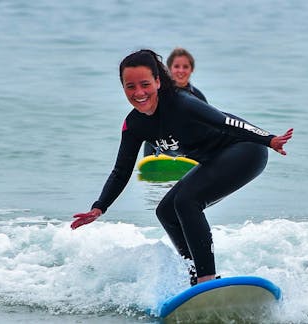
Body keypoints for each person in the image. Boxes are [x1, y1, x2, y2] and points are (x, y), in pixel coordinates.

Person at [71, 49, 293, 286]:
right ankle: (194, 278)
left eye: (145, 84)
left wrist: (268, 139)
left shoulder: (180, 103)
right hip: (214, 160)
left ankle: (207, 279)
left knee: (186, 201)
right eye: (130, 86)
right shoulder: (134, 124)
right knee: (166, 211)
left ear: (158, 81)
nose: (139, 93)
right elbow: (121, 170)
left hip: (246, 150)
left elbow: (225, 121)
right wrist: (99, 207)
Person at [144, 47, 206, 156]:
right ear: (169, 69)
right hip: (160, 149)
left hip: (190, 151)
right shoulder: (160, 94)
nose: (181, 71)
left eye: (185, 67)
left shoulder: (198, 97)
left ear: (192, 69)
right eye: (176, 66)